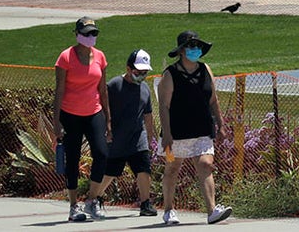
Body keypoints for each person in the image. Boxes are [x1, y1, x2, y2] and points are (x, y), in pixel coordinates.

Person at [158, 30, 232, 225]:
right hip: (176, 132)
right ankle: (168, 210)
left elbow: (213, 99)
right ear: (181, 51)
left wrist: (221, 124)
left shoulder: (205, 69)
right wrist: (166, 134)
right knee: (172, 169)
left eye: (198, 46)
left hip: (202, 129)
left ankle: (212, 211)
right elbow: (164, 106)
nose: (196, 50)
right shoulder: (170, 74)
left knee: (205, 164)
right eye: (191, 46)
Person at [52, 17, 111, 222]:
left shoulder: (100, 57)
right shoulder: (66, 57)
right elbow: (59, 91)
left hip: (94, 112)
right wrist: (56, 120)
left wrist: (108, 119)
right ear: (77, 35)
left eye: (94, 33)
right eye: (86, 34)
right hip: (70, 114)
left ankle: (93, 199)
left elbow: (103, 90)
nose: (91, 37)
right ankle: (73, 205)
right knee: (73, 159)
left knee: (102, 153)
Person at [88, 49, 158, 218]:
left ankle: (145, 203)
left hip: (137, 138)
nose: (141, 75)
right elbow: (102, 108)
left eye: (144, 73)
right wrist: (104, 130)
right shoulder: (114, 85)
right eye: (137, 72)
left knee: (143, 169)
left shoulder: (145, 89)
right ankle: (93, 198)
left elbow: (147, 114)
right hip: (116, 139)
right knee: (110, 172)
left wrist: (150, 136)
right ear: (128, 69)